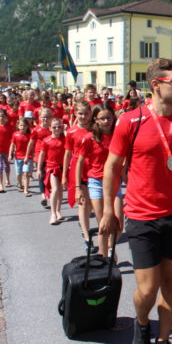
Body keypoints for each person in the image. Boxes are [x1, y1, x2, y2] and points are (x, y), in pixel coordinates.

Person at [100, 58, 172, 344]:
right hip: (141, 215)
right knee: (147, 290)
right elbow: (111, 167)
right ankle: (142, 321)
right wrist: (110, 211)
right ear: (156, 86)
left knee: (171, 283)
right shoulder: (130, 120)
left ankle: (163, 339)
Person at [76, 103, 123, 257]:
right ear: (95, 119)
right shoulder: (89, 138)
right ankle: (104, 260)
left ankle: (110, 248)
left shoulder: (118, 135)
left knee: (119, 222)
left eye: (108, 118)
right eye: (102, 118)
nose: (106, 121)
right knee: (103, 223)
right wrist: (78, 187)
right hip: (96, 182)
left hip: (114, 182)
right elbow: (80, 162)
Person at [63, 101, 93, 249]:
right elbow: (67, 153)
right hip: (78, 167)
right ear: (75, 114)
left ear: (91, 114)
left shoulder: (95, 129)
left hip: (93, 166)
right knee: (83, 202)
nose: (83, 116)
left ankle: (84, 223)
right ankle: (87, 236)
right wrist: (64, 174)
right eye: (80, 113)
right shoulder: (71, 132)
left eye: (86, 113)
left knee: (91, 204)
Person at [37, 118, 66, 225]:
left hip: (62, 168)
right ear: (50, 128)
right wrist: (39, 169)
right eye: (54, 127)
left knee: (60, 190)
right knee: (55, 189)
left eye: (59, 126)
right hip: (51, 168)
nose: (57, 129)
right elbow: (42, 155)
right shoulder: (46, 140)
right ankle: (53, 214)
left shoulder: (65, 139)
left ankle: (58, 211)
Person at [26, 108, 53, 208]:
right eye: (43, 117)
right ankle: (43, 195)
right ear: (39, 118)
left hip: (51, 157)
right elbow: (31, 143)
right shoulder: (36, 130)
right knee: (41, 176)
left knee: (49, 177)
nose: (45, 119)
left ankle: (48, 192)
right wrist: (27, 156)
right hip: (39, 156)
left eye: (47, 117)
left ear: (50, 118)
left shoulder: (52, 129)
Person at [9, 118, 33, 196]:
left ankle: (26, 189)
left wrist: (32, 155)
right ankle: (20, 184)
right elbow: (12, 145)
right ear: (18, 126)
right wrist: (10, 154)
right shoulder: (15, 134)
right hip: (18, 157)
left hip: (27, 157)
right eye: (21, 125)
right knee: (19, 173)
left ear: (27, 127)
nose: (23, 127)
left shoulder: (30, 135)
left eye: (25, 125)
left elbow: (32, 146)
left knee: (26, 173)